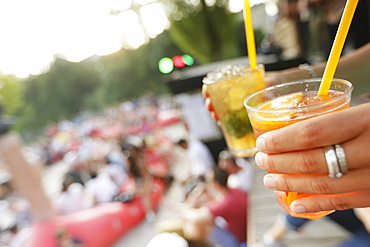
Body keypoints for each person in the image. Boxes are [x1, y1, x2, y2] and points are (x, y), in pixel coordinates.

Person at [165, 166, 248, 247]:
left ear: (215, 184)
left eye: (208, 181)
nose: (205, 183)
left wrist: (185, 207)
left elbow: (198, 217)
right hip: (241, 231)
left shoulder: (226, 203)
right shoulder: (234, 191)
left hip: (239, 240)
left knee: (205, 225)